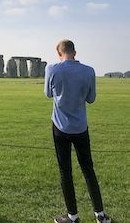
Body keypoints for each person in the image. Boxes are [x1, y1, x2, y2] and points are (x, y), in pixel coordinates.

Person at [44, 40, 111, 223]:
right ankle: (100, 215)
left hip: (60, 126)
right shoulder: (89, 71)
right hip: (81, 126)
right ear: (75, 52)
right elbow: (91, 99)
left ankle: (72, 217)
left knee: (65, 171)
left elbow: (48, 94)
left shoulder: (52, 69)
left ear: (59, 53)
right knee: (88, 169)